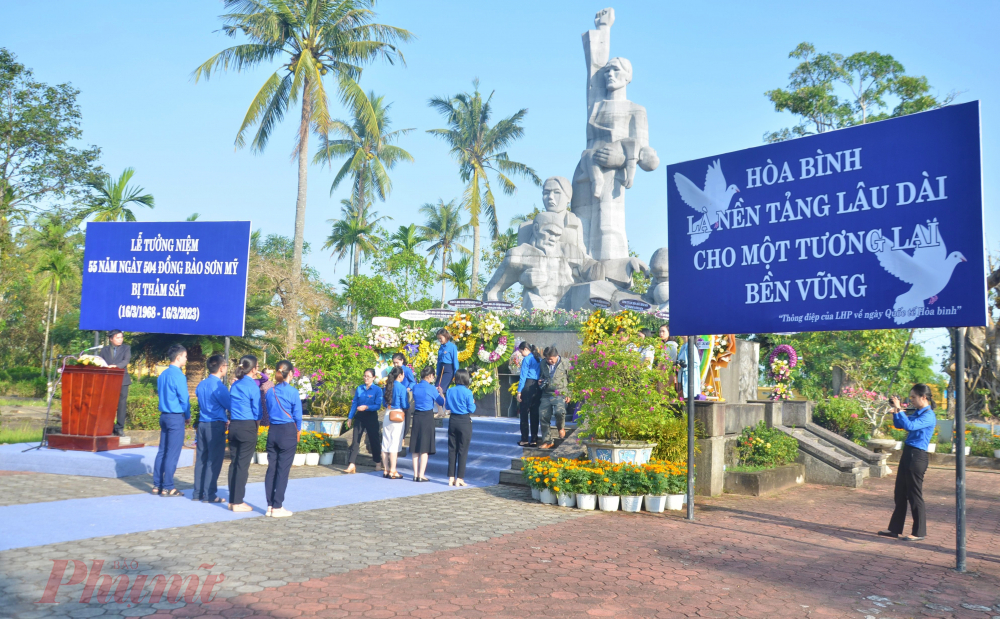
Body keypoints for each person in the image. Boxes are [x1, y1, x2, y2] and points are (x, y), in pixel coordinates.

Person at [879, 384, 936, 541]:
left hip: (917, 456)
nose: (911, 400)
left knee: (914, 495)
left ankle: (919, 532)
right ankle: (894, 529)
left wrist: (899, 409)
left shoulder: (928, 415)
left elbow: (910, 426)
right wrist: (897, 411)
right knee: (900, 493)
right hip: (908, 454)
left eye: (913, 397)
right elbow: (900, 425)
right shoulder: (918, 413)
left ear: (923, 397)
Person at [263, 360, 302, 518]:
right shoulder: (292, 392)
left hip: (273, 431)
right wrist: (298, 431)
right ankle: (278, 506)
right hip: (287, 430)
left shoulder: (270, 392)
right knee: (282, 470)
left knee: (271, 468)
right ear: (290, 373)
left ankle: (270, 505)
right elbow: (297, 416)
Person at [152, 344, 190, 497]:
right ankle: (168, 486)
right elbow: (184, 398)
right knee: (172, 453)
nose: (186, 359)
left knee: (162, 451)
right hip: (175, 417)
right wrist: (187, 415)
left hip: (164, 415)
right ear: (178, 357)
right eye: (185, 356)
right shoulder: (179, 376)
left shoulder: (163, 375)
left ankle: (157, 485)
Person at [193, 354, 231, 504]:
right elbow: (230, 405)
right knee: (213, 460)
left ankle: (197, 492)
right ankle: (210, 494)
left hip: (202, 424)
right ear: (222, 368)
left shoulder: (201, 384)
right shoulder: (219, 387)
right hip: (215, 426)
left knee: (201, 459)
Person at [228, 355, 262, 512]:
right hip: (247, 426)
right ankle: (238, 501)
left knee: (234, 463)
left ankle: (232, 499)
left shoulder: (235, 385)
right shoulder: (252, 386)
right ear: (254, 369)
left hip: (234, 425)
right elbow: (257, 410)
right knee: (243, 465)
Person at [345, 369, 383, 474]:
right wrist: (350, 417)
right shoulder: (359, 388)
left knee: (374, 439)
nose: (366, 378)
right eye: (365, 376)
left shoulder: (377, 390)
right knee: (356, 440)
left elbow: (377, 405)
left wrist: (367, 407)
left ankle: (378, 461)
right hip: (360, 416)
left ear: (373, 378)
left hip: (371, 416)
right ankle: (351, 463)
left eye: (368, 376)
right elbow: (354, 403)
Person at [410, 366, 444, 481]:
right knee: (424, 447)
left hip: (417, 416)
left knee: (415, 447)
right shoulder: (431, 388)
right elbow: (441, 401)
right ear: (429, 376)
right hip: (427, 417)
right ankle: (421, 474)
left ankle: (415, 474)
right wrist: (440, 392)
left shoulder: (415, 387)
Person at [445, 369, 476, 486]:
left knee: (452, 449)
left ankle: (451, 477)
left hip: (453, 420)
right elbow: (471, 409)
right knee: (463, 451)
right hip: (464, 421)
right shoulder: (468, 392)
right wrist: (473, 402)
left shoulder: (450, 390)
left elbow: (447, 406)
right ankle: (460, 478)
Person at [98, 330, 131, 436]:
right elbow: (100, 361)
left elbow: (126, 361)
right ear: (111, 339)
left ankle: (119, 427)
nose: (120, 339)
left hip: (122, 379)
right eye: (117, 337)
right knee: (108, 404)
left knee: (121, 404)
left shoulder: (126, 348)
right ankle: (108, 426)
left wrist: (115, 366)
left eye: (121, 337)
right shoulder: (104, 350)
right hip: (108, 380)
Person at [537, 346, 571, 449]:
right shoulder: (543, 363)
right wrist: (540, 381)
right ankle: (547, 441)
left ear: (557, 356)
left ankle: (560, 427)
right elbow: (542, 376)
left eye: (551, 359)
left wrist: (569, 394)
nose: (549, 361)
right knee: (543, 416)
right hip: (546, 394)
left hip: (560, 393)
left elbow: (572, 379)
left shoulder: (565, 363)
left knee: (559, 412)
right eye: (547, 359)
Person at [381, 367, 407, 479]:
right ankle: (393, 470)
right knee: (394, 443)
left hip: (388, 413)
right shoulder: (402, 387)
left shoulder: (387, 386)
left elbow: (383, 403)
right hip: (397, 415)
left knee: (385, 442)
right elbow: (404, 404)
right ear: (400, 375)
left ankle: (386, 469)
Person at [516, 341, 541, 446]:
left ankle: (525, 439)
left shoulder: (527, 359)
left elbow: (523, 376)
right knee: (535, 414)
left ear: (526, 349)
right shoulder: (538, 358)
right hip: (537, 387)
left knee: (524, 413)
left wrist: (519, 391)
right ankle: (534, 439)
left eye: (521, 352)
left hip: (527, 385)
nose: (521, 354)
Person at [391, 353, 416, 439]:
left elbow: (413, 381)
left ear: (402, 361)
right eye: (394, 363)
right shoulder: (393, 370)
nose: (395, 365)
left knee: (407, 412)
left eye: (397, 362)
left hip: (405, 393)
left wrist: (409, 388)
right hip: (397, 394)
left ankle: (404, 435)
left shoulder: (407, 370)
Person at [435, 329, 460, 408]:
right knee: (436, 389)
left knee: (441, 389)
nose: (439, 340)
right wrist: (437, 374)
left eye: (440, 338)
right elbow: (439, 362)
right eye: (438, 338)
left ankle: (446, 409)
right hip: (441, 369)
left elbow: (455, 361)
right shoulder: (441, 348)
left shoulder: (452, 347)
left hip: (448, 370)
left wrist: (456, 374)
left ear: (446, 337)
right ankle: (440, 410)